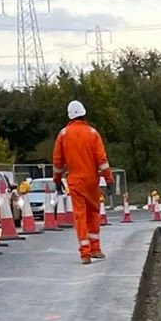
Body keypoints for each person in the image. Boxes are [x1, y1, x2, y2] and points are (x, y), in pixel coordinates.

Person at [52, 99, 112, 264]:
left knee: (80, 215)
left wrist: (56, 180)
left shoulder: (63, 134)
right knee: (93, 213)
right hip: (92, 181)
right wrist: (109, 179)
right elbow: (102, 159)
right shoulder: (93, 133)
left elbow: (58, 161)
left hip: (75, 181)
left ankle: (85, 253)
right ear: (84, 114)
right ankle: (96, 248)